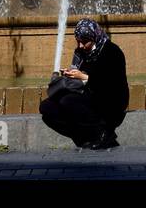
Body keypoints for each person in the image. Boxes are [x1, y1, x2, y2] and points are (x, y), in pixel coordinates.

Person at [40, 19, 130, 149]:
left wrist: (83, 77)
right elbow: (79, 74)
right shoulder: (81, 52)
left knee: (68, 101)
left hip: (111, 100)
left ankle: (104, 134)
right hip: (86, 94)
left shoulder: (111, 51)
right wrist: (70, 74)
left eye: (84, 42)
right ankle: (84, 138)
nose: (81, 45)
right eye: (78, 41)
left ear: (94, 37)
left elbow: (112, 84)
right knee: (47, 107)